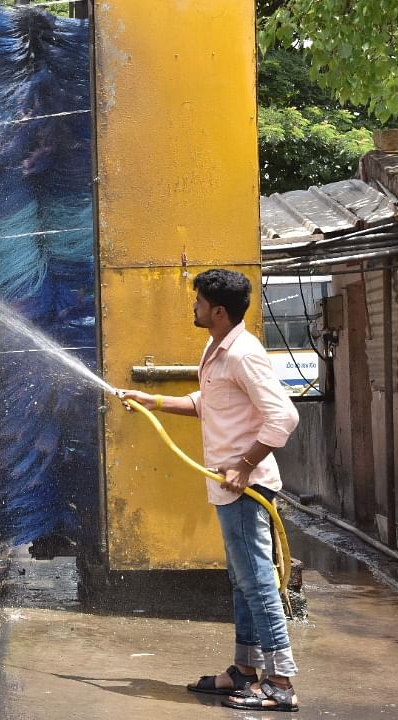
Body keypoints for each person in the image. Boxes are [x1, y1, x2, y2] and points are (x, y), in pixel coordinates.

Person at [119, 268, 301, 713]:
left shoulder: (243, 354)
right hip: (228, 486)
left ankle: (281, 681)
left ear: (218, 312)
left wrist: (243, 465)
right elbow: (209, 403)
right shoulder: (218, 348)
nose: (193, 308)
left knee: (258, 583)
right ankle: (245, 670)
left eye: (198, 303)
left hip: (246, 488)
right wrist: (152, 401)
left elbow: (284, 417)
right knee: (242, 583)